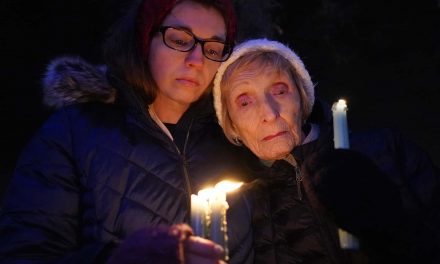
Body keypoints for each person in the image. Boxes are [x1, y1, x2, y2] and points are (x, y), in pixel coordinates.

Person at [0, 0, 254, 263]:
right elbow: (23, 254)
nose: (196, 60)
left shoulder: (237, 141)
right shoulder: (73, 133)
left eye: (213, 48)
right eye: (179, 40)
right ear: (145, 39)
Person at [212, 38, 440, 264]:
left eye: (280, 91)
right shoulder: (239, 208)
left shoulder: (386, 150)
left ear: (303, 98)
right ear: (232, 126)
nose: (270, 113)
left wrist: (390, 226)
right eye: (245, 103)